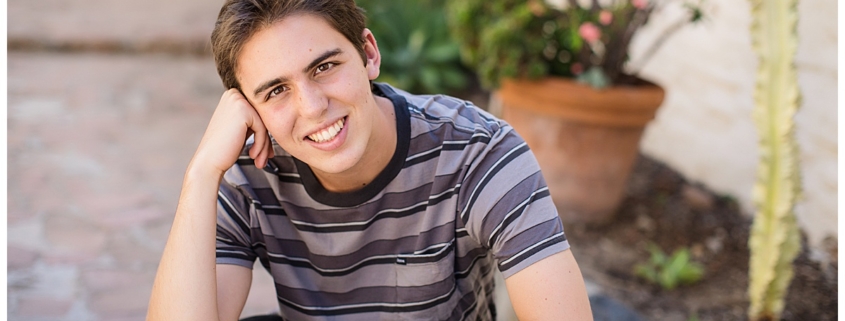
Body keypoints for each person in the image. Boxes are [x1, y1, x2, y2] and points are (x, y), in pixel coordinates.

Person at [147, 0, 593, 320]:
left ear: (369, 54)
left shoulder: (478, 152)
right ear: (248, 108)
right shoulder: (247, 172)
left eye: (324, 67)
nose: (313, 106)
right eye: (276, 90)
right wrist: (202, 173)